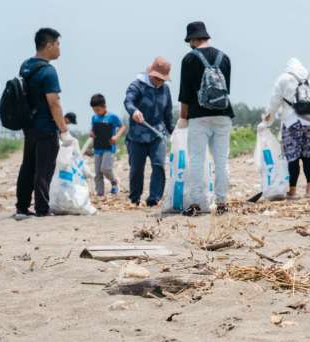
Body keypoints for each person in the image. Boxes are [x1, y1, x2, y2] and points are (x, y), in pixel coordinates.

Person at [15, 28, 75, 220]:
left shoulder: (26, 66)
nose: (59, 49)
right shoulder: (48, 71)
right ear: (48, 45)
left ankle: (22, 208)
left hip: (29, 126)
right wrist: (64, 131)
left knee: (28, 166)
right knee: (44, 169)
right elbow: (54, 102)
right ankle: (42, 209)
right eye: (57, 44)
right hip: (46, 127)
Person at [177, 21, 234, 215]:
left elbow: (185, 94)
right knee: (221, 160)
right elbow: (226, 91)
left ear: (192, 39)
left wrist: (183, 118)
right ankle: (221, 202)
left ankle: (196, 203)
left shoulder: (189, 59)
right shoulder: (224, 57)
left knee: (197, 160)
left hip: (198, 116)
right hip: (223, 115)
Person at [263, 58, 310, 199]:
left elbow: (274, 103)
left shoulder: (283, 78)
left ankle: (292, 190)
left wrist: (266, 121)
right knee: (309, 156)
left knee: (293, 157)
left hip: (292, 122)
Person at [124, 57, 174, 207]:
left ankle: (154, 198)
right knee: (136, 169)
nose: (159, 81)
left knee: (158, 165)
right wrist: (134, 111)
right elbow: (128, 101)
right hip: (137, 136)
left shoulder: (165, 89)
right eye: (157, 78)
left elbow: (168, 113)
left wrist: (174, 133)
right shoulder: (137, 86)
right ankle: (134, 198)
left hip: (157, 135)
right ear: (150, 74)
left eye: (162, 79)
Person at [89, 94, 126, 197]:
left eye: (98, 109)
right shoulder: (94, 117)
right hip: (97, 148)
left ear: (104, 106)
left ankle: (114, 182)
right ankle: (100, 193)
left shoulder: (112, 117)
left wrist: (116, 137)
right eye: (94, 110)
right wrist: (91, 133)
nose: (96, 112)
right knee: (97, 172)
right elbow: (93, 129)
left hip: (109, 147)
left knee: (105, 168)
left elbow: (122, 127)